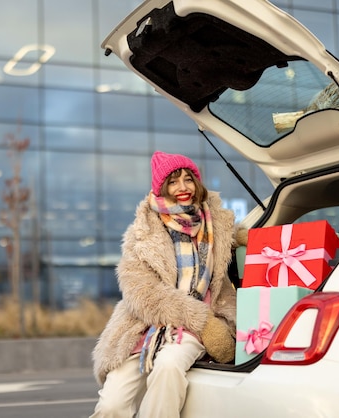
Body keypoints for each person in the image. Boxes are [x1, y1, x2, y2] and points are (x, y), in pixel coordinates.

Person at [90, 150, 243, 418]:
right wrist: (201, 320)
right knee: (112, 405)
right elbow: (142, 294)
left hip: (191, 329)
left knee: (169, 367)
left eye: (188, 179)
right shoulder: (142, 233)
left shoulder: (217, 223)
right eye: (173, 181)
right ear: (162, 187)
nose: (183, 188)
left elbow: (240, 235)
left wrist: (260, 239)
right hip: (142, 327)